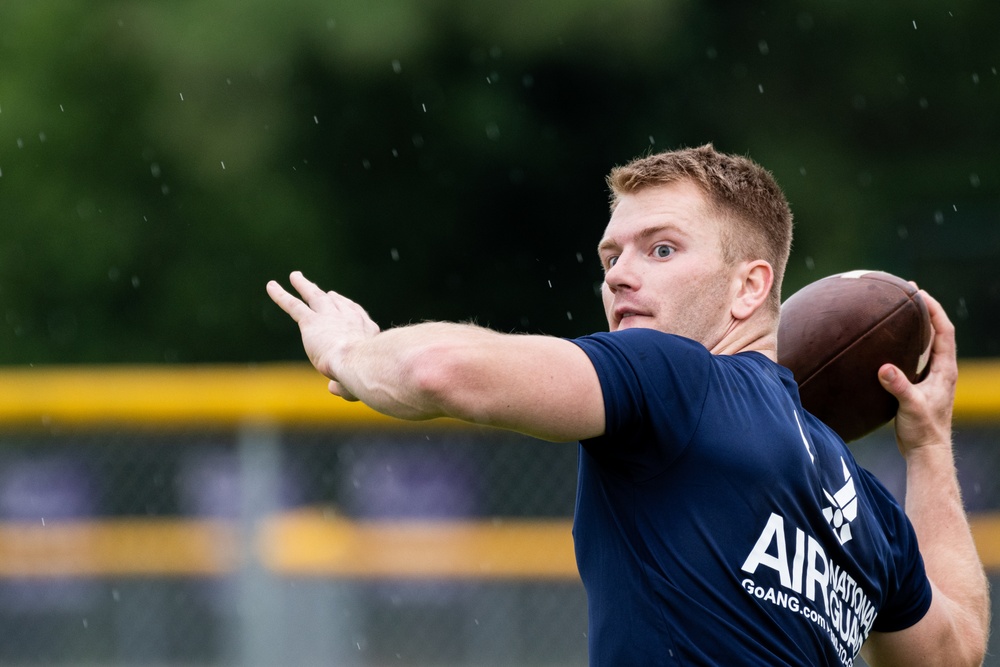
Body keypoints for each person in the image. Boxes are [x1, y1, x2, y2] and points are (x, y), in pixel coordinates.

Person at [267, 144, 988, 666]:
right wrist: (927, 446)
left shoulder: (678, 378)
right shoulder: (865, 508)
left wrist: (347, 352)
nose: (621, 277)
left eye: (661, 249)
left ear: (749, 287)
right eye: (612, 258)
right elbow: (955, 651)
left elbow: (439, 368)